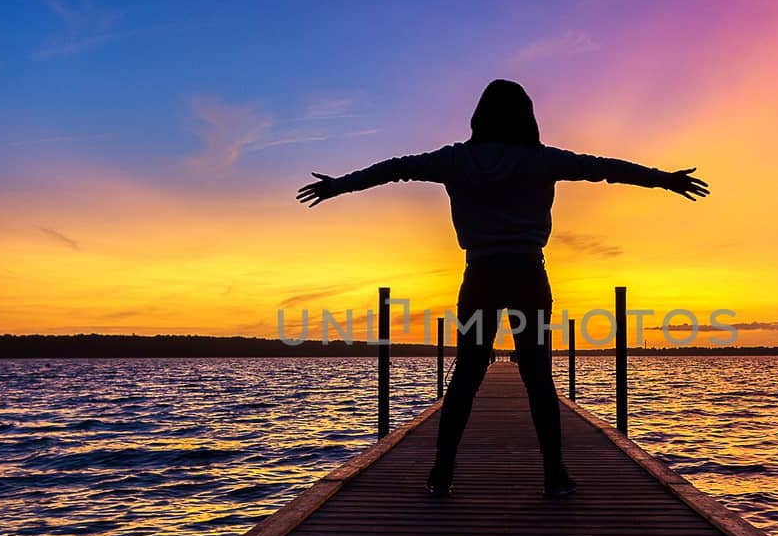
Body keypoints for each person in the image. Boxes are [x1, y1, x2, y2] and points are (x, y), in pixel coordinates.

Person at [296, 79, 708, 497]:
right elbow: (604, 168)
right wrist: (665, 180)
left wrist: (336, 186)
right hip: (528, 274)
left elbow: (394, 169)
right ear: (527, 116)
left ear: (479, 116)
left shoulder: (455, 160)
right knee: (538, 378)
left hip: (481, 277)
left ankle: (442, 471)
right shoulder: (540, 160)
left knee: (467, 377)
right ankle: (554, 473)